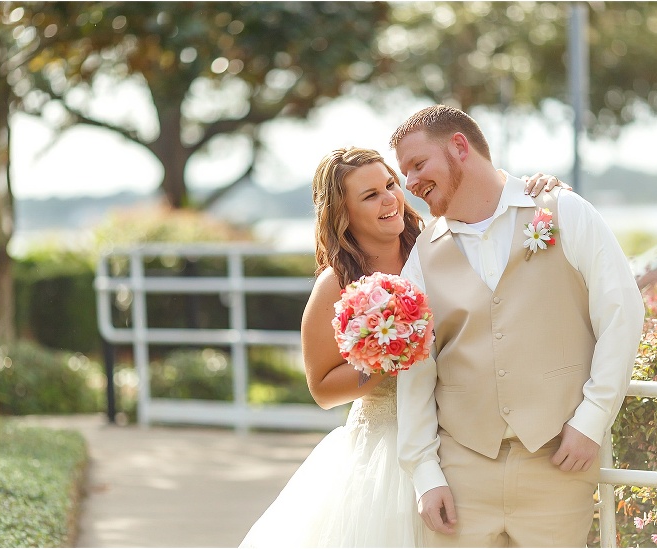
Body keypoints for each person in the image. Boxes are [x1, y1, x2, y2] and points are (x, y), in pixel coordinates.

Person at [238, 146, 565, 548]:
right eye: (370, 195)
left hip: (461, 435)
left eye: (390, 185)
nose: (389, 199)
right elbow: (322, 389)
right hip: (386, 451)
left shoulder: (438, 244)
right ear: (343, 213)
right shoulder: (336, 283)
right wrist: (389, 356)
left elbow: (496, 225)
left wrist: (543, 191)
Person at [391, 105, 646, 548]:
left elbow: (622, 316)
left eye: (417, 164)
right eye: (405, 172)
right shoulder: (424, 254)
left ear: (459, 146)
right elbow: (416, 369)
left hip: (558, 462)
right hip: (460, 474)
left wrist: (592, 421)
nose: (409, 183)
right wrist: (425, 473)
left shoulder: (564, 211)